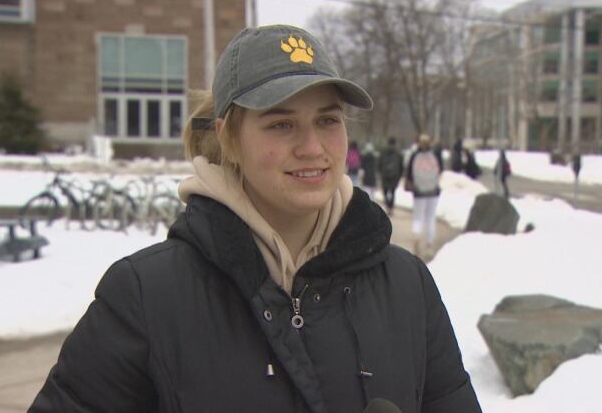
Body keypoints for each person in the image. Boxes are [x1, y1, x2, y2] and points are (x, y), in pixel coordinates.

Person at [29, 24, 481, 412]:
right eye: (280, 124)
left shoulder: (406, 284)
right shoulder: (146, 296)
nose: (312, 148)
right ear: (229, 138)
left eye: (327, 120)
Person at [405, 133, 443, 259]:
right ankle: (429, 243)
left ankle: (417, 239)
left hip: (419, 192)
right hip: (433, 191)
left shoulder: (415, 155)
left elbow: (409, 173)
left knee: (418, 217)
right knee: (431, 217)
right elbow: (440, 170)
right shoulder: (435, 155)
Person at [377, 137, 403, 216]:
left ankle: (388, 206)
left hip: (385, 175)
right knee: (393, 192)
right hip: (395, 176)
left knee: (385, 191)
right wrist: (400, 175)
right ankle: (391, 207)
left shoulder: (383, 152)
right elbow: (401, 166)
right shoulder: (398, 153)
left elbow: (379, 163)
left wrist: (380, 172)